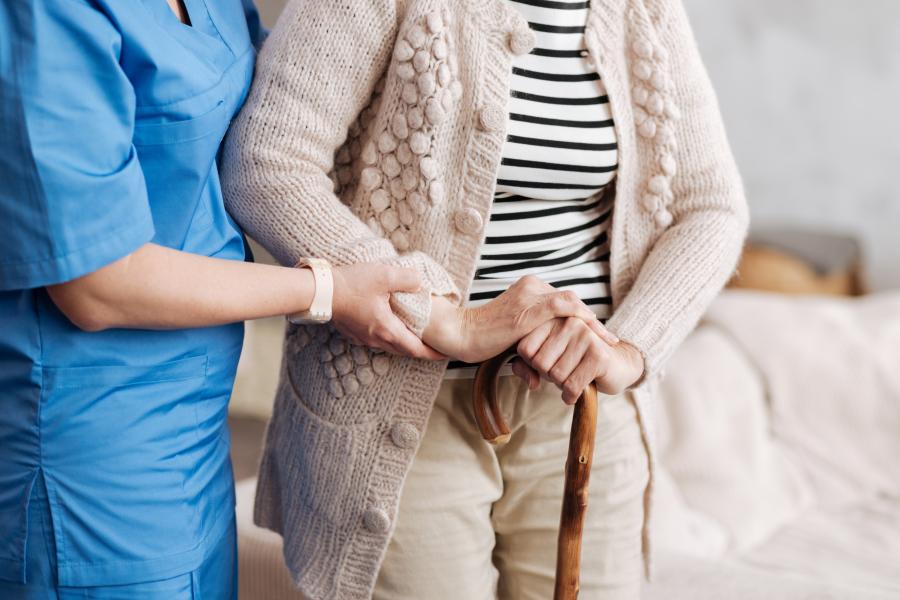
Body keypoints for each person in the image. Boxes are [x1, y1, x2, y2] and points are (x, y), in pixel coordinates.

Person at [0, 1, 572, 597]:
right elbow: (96, 284)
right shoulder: (47, 12)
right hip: (85, 432)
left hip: (191, 422)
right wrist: (327, 289)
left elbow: (296, 102)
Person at [222, 0, 748, 598]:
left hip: (579, 411)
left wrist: (631, 347)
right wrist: (438, 314)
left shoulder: (644, 10)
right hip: (400, 399)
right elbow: (266, 162)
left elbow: (709, 206)